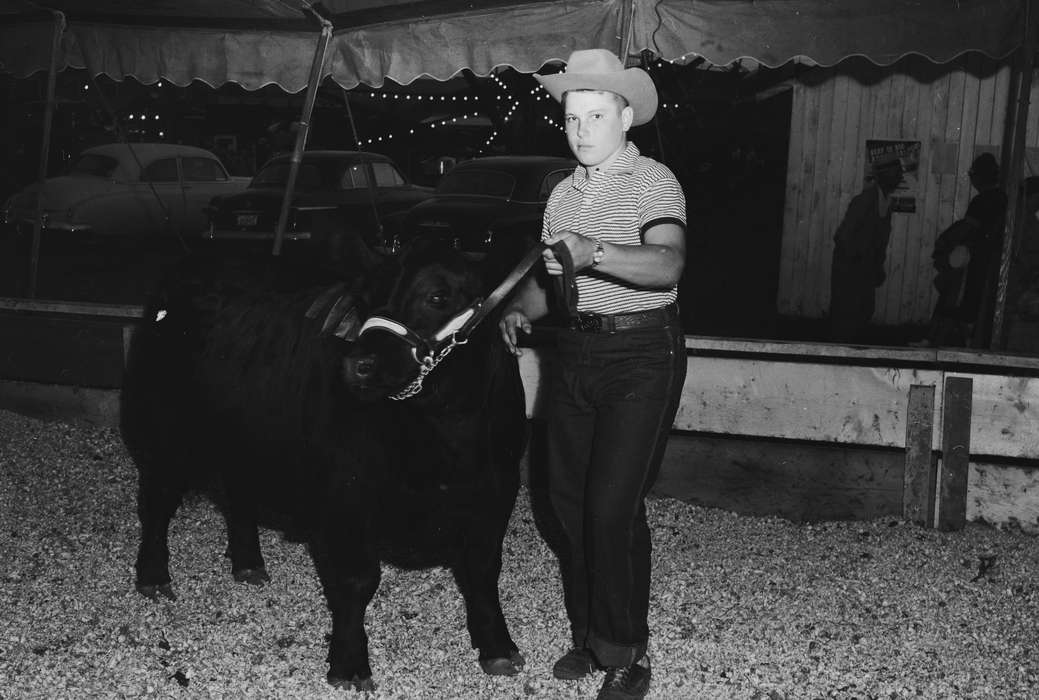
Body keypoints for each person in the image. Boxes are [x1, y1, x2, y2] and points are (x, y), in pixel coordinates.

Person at [498, 49, 686, 700]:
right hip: (572, 355)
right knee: (565, 504)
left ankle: (627, 654)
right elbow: (555, 288)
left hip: (640, 355)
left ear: (626, 116)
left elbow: (666, 265)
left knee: (610, 508)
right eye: (572, 118)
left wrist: (595, 250)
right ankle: (589, 636)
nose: (580, 131)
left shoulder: (653, 182)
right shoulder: (559, 195)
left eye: (596, 116)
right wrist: (519, 311)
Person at [920, 153, 1008, 347]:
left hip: (976, 261)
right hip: (994, 262)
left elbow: (966, 228)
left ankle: (937, 339)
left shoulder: (982, 201)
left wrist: (944, 242)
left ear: (979, 177)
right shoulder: (1002, 198)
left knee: (956, 300)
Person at [828, 155, 904, 343]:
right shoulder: (864, 200)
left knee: (863, 313)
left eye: (899, 174)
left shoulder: (886, 203)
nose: (899, 178)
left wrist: (877, 266)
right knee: (846, 318)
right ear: (883, 176)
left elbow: (879, 241)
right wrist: (857, 262)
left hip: (864, 269)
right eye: (896, 174)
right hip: (850, 269)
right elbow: (842, 236)